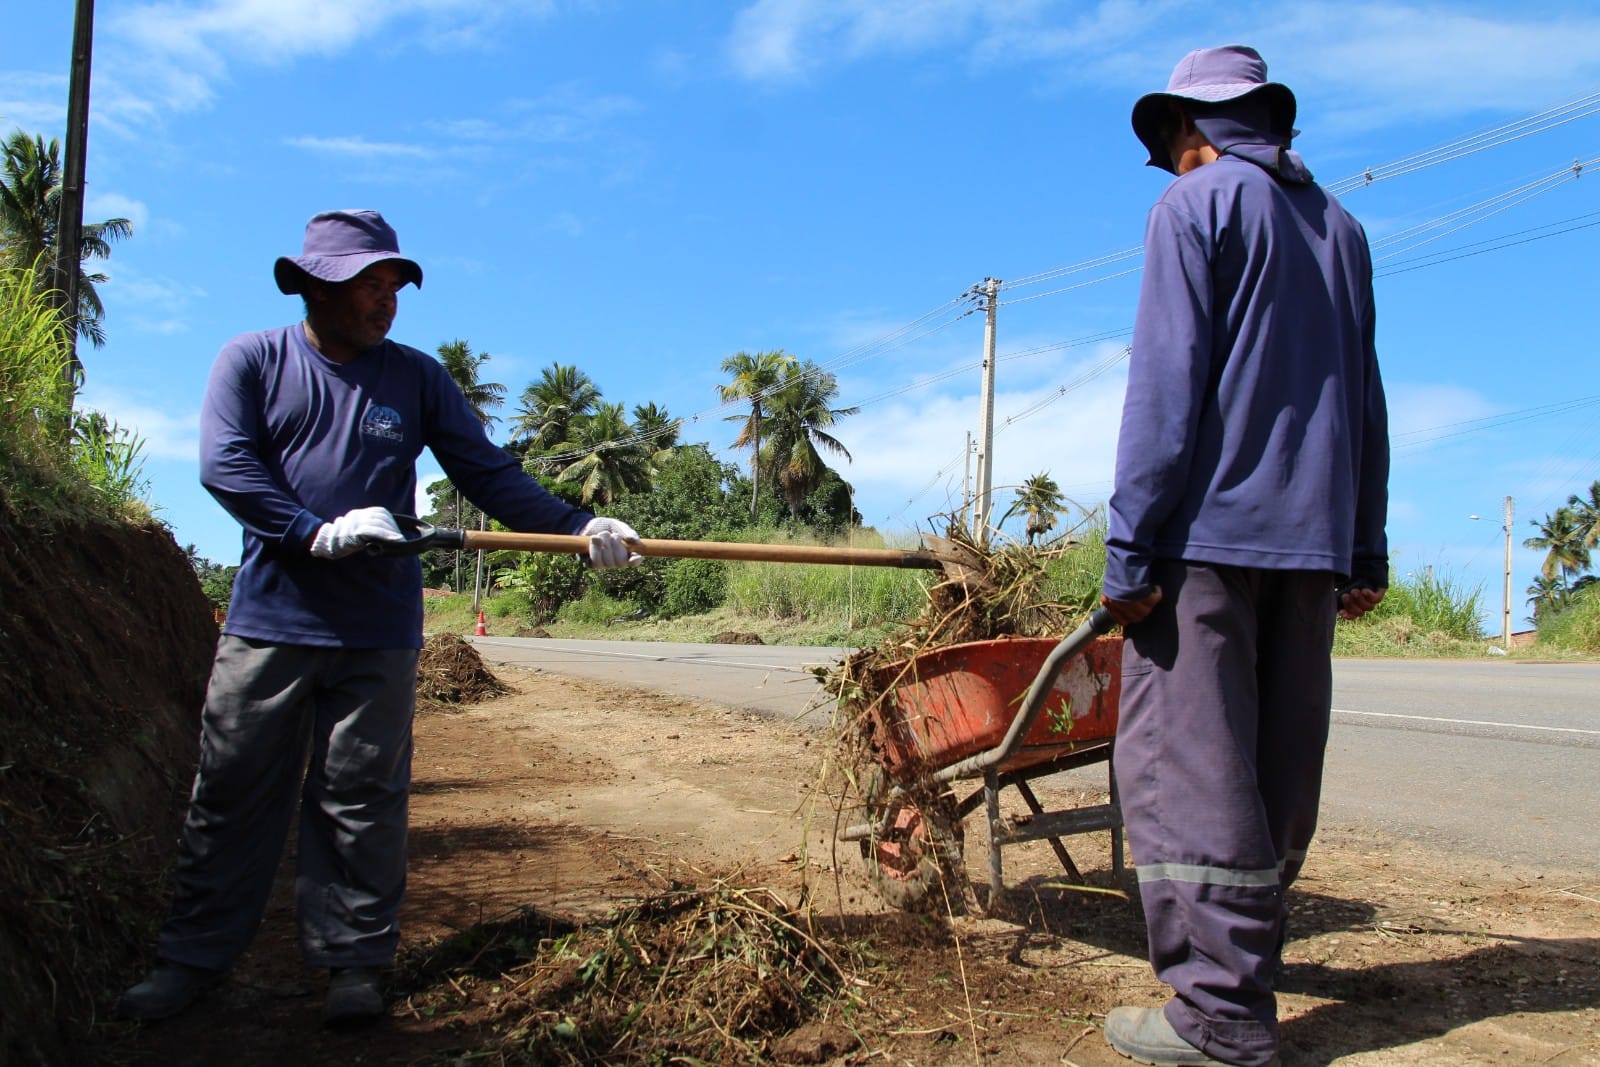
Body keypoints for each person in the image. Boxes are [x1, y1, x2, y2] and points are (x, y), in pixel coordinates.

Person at [117, 209, 642, 1025]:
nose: (386, 300)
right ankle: (191, 959)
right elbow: (224, 463)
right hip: (271, 623)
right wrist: (311, 531)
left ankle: (356, 965)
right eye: (370, 283)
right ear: (317, 283)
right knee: (232, 789)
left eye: (394, 285)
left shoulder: (417, 378)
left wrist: (578, 527)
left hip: (378, 632)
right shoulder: (253, 359)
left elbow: (488, 471)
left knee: (361, 798)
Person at [1097, 47, 1389, 1067]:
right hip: (1310, 549)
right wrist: (1364, 545)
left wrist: (1129, 553)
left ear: (1194, 131)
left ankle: (1216, 1016)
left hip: (1206, 546)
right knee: (1274, 763)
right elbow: (1364, 395)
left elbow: (1164, 393)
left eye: (1171, 148)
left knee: (1187, 770)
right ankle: (1247, 970)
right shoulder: (1339, 229)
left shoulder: (1196, 206)